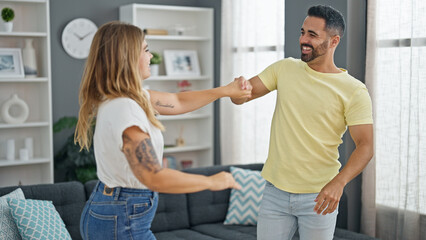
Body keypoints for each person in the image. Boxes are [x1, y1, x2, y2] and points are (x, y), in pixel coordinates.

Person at [74, 21, 250, 240]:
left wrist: (226, 91)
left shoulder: (134, 98)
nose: (150, 56)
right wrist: (213, 182)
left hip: (115, 213)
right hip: (122, 221)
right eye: (146, 50)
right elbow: (152, 176)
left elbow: (178, 101)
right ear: (127, 57)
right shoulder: (124, 108)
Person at [231, 5, 374, 240]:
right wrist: (239, 90)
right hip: (275, 192)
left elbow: (366, 146)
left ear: (334, 41)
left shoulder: (354, 90)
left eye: (313, 35)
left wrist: (339, 183)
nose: (303, 40)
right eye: (303, 32)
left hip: (319, 196)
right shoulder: (284, 68)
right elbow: (242, 98)